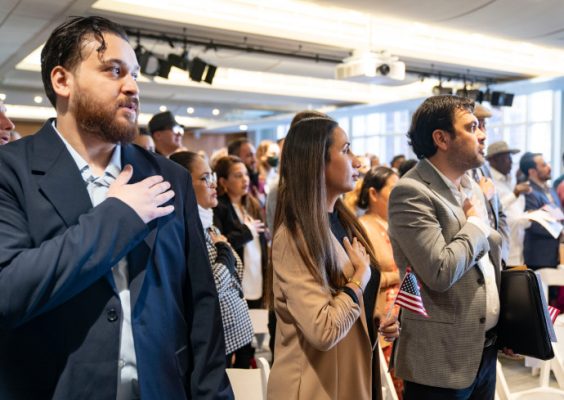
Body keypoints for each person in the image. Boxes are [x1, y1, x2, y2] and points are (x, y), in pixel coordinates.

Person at [0, 16, 232, 399]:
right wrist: (118, 216)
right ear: (62, 81)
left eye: (136, 74)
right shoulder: (13, 172)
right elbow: (9, 292)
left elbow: (201, 306)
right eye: (114, 71)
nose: (132, 86)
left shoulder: (169, 177)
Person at [267, 116, 399, 400]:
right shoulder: (294, 236)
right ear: (318, 161)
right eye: (346, 149)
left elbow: (346, 302)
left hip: (350, 376)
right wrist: (357, 280)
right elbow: (323, 329)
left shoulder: (343, 221)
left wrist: (374, 320)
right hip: (315, 386)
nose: (358, 161)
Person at [388, 95, 503, 399]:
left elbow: (491, 259)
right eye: (471, 127)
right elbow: (440, 270)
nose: (482, 134)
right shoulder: (411, 192)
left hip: (484, 348)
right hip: (440, 358)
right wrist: (476, 225)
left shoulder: (471, 185)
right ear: (441, 138)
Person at [170, 151, 254, 368]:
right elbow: (210, 287)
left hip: (231, 338)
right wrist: (225, 252)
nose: (214, 185)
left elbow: (235, 275)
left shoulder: (210, 224)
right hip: (214, 339)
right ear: (183, 184)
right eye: (205, 178)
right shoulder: (185, 230)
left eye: (213, 177)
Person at [213, 155, 267, 365]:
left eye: (245, 174)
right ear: (223, 182)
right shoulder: (220, 208)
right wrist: (247, 231)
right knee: (237, 343)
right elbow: (222, 242)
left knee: (249, 345)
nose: (245, 179)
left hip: (256, 279)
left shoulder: (251, 204)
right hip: (235, 285)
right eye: (237, 176)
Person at [357, 166, 403, 398]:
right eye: (394, 190)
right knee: (394, 380)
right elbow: (364, 276)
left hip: (407, 312)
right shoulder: (363, 227)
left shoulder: (397, 223)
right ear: (373, 194)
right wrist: (399, 276)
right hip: (384, 314)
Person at [486, 141, 532, 266]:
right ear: (493, 160)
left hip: (518, 246)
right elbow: (492, 209)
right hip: (504, 249)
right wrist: (515, 194)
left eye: (511, 157)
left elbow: (516, 212)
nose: (511, 161)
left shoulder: (510, 180)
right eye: (507, 158)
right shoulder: (488, 181)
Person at [520, 151, 562, 270]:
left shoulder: (550, 189)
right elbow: (533, 223)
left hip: (554, 256)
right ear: (532, 171)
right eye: (544, 165)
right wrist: (560, 230)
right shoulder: (527, 191)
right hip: (539, 258)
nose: (549, 167)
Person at [227, 138, 263, 205]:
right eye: (249, 155)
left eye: (255, 155)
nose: (254, 160)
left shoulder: (254, 180)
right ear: (235, 158)